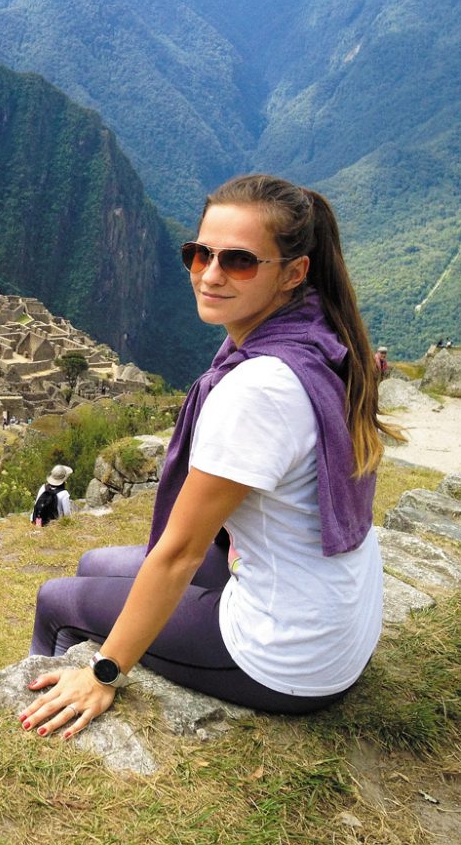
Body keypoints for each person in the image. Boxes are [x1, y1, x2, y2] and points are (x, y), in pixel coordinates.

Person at [22, 174, 403, 741]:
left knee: (57, 600)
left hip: (287, 655)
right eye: (200, 254)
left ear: (294, 272)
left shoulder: (258, 389)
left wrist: (105, 672)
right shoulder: (322, 336)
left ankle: (38, 711)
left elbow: (179, 553)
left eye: (240, 261)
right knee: (92, 563)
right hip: (334, 622)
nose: (211, 274)